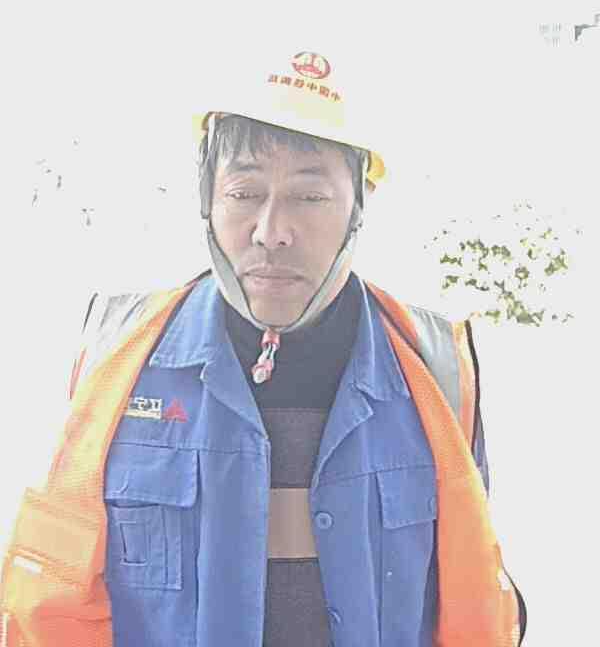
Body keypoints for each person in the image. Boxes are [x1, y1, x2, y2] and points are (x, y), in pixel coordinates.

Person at [1, 50, 526, 646]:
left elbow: (472, 603)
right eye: (244, 192)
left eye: (310, 197)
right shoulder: (113, 353)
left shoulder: (436, 367)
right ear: (208, 200)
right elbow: (51, 599)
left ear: (358, 206)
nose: (272, 232)